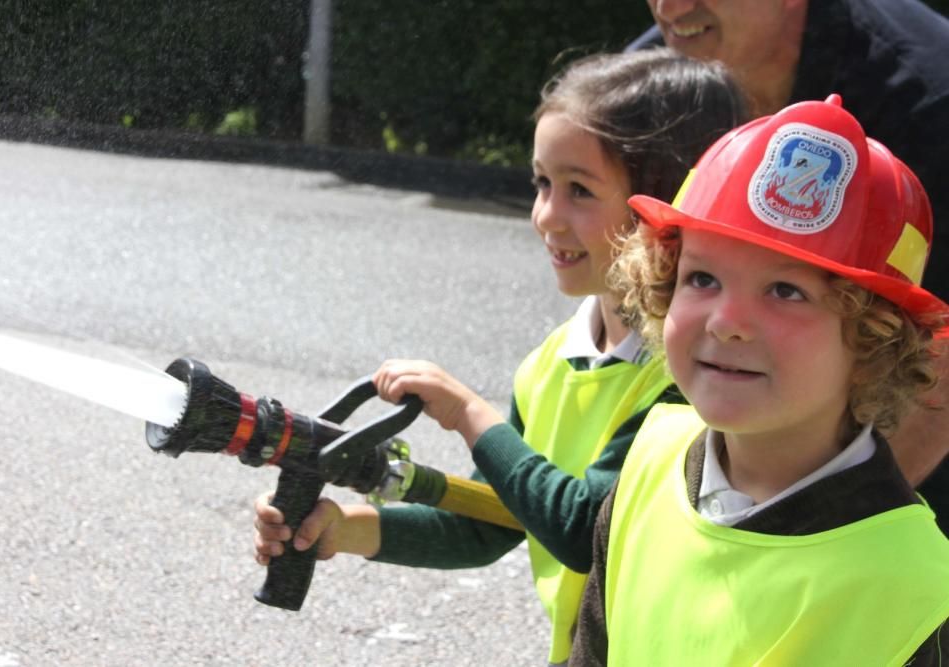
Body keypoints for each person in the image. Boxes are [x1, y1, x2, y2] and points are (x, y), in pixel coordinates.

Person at [253, 48, 746, 666]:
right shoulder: (550, 363)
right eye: (542, 183)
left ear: (662, 204)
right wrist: (338, 528)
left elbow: (582, 527)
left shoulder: (696, 377)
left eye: (579, 191)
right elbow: (491, 522)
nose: (546, 216)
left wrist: (467, 414)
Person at [566, 95, 949, 665]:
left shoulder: (918, 584)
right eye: (701, 278)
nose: (727, 323)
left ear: (876, 343)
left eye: (785, 291)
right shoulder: (651, 457)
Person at [628, 0, 949, 538]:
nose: (671, 8)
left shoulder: (933, 99)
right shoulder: (656, 85)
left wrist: (813, 535)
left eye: (783, 289)